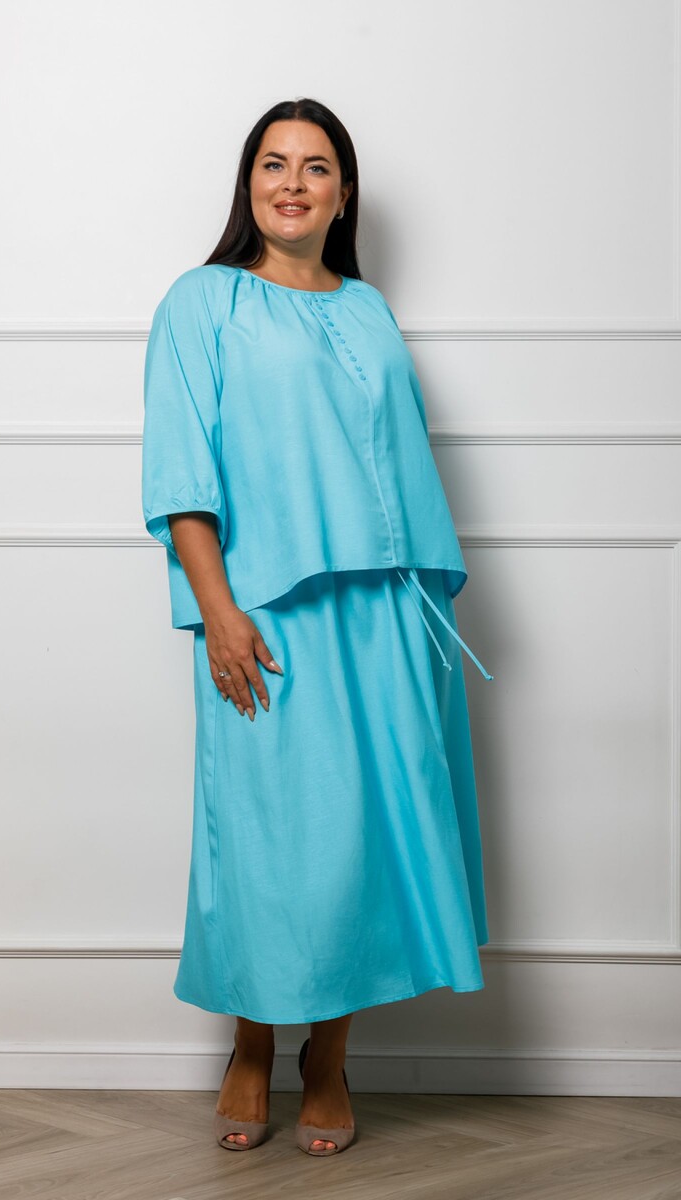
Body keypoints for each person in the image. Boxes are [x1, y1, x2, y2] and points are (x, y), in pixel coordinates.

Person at [141, 97, 495, 1157]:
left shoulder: (369, 310)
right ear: (247, 183)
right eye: (273, 163)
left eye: (315, 167)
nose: (292, 183)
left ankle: (329, 1059)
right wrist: (219, 614)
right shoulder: (201, 302)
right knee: (269, 839)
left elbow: (399, 464)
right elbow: (181, 473)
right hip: (266, 615)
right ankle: (251, 1042)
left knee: (360, 844)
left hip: (383, 614)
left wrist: (420, 607)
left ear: (344, 194)